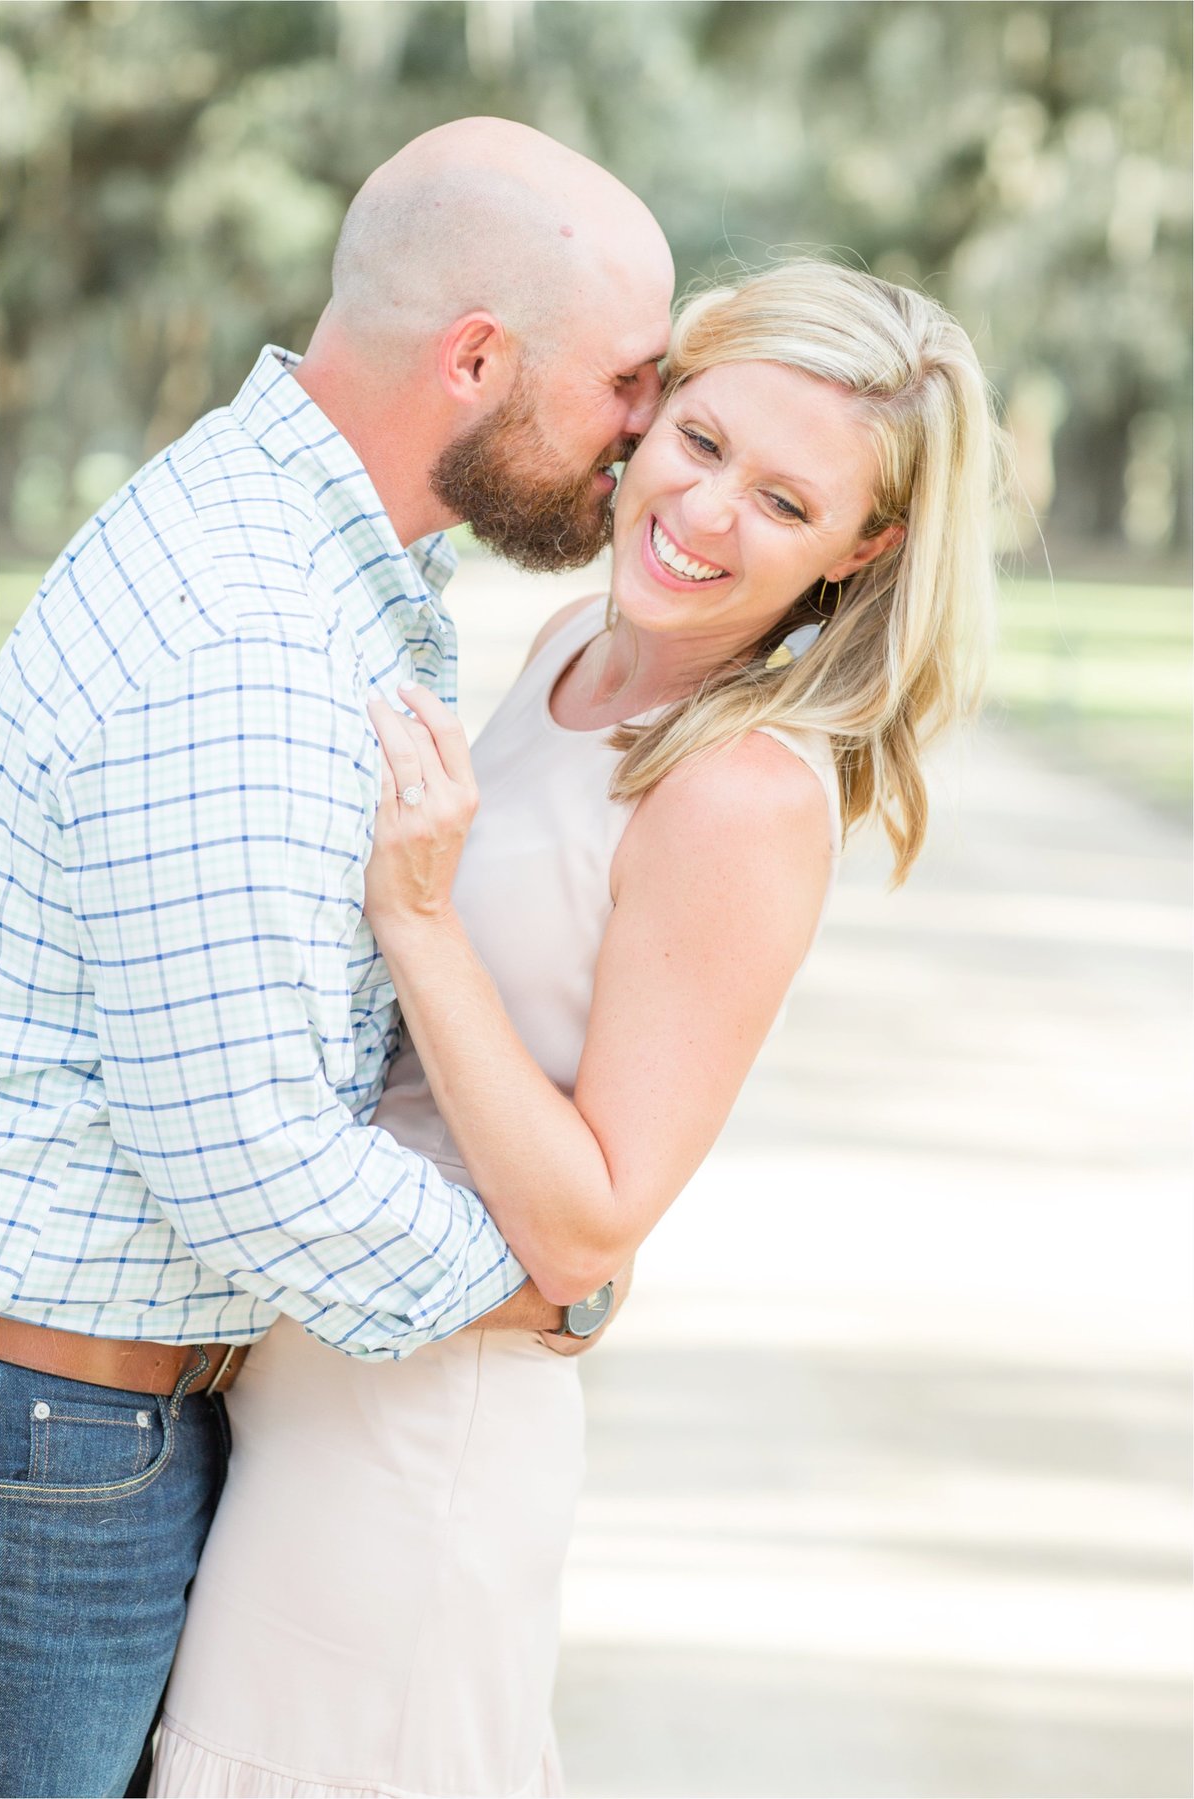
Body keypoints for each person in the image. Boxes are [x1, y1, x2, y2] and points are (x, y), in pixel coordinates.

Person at [147, 259, 1004, 1799]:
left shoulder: (740, 791)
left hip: (416, 1452)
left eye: (788, 504)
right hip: (309, 1369)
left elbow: (592, 1228)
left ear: (860, 551)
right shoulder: (566, 659)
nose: (708, 512)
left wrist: (413, 919)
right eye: (704, 443)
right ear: (652, 409)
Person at [0, 116, 674, 1799]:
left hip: (97, 1431)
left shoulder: (330, 564)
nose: (647, 440)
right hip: (58, 1455)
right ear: (475, 359)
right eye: (629, 385)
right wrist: (537, 1279)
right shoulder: (248, 632)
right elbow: (247, 1164)